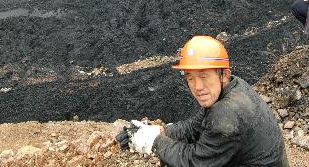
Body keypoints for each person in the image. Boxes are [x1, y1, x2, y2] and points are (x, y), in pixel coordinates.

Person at [118, 35, 288, 166]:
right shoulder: (233, 87)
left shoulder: (227, 113)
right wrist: (161, 131)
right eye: (190, 78)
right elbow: (195, 126)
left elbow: (194, 162)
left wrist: (154, 141)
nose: (198, 87)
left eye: (204, 76)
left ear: (224, 75)